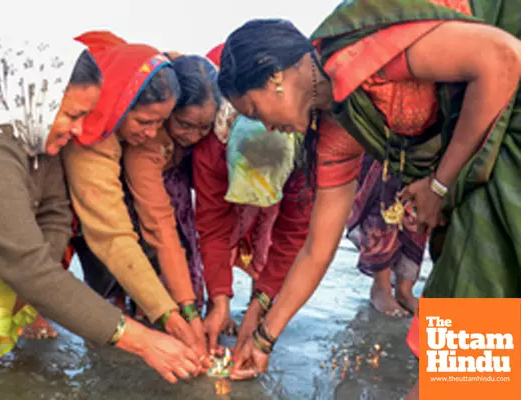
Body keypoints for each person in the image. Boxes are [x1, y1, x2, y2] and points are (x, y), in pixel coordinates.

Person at [216, 1, 521, 391]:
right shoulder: (333, 129)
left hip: (508, 127)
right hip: (480, 168)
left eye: (255, 111)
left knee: (466, 349)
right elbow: (316, 249)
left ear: (274, 76)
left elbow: (502, 57)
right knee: (470, 355)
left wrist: (439, 185)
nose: (267, 127)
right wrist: (263, 340)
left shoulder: (358, 57)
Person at [0, 38, 200, 398]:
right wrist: (140, 340)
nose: (82, 131)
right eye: (73, 116)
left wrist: (35, 289)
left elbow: (55, 213)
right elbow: (25, 261)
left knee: (25, 271)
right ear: (43, 96)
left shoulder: (31, 124)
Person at [63, 31, 208, 364]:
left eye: (161, 123)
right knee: (51, 238)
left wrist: (184, 307)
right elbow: (111, 234)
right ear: (120, 103)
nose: (152, 134)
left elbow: (159, 221)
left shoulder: (154, 75)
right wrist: (169, 315)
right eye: (145, 121)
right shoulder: (91, 132)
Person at [195, 44, 313, 354]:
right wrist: (220, 300)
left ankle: (451, 383)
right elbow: (212, 227)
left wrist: (261, 310)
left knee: (265, 241)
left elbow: (296, 236)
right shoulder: (213, 146)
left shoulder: (309, 150)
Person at [122, 54, 221, 314]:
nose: (193, 136)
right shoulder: (147, 142)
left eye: (204, 128)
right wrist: (184, 309)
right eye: (185, 125)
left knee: (188, 245)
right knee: (143, 249)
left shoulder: (218, 131)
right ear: (168, 111)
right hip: (136, 192)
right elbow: (159, 224)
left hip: (176, 182)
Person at [347, 153, 427, 317]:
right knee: (381, 203)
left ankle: (404, 289)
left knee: (416, 211)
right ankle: (381, 286)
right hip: (384, 139)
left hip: (424, 143)